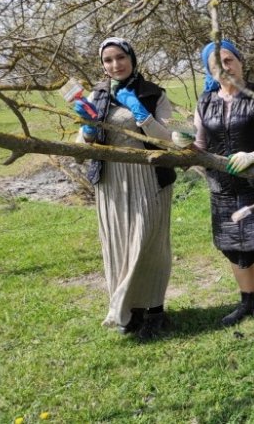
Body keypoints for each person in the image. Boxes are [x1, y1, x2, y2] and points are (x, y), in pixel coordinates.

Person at [74, 37, 176, 340]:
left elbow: (169, 139)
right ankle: (131, 312)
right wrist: (88, 129)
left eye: (120, 57)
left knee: (149, 244)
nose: (115, 65)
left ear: (132, 58)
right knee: (119, 245)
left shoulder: (153, 93)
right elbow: (82, 147)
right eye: (108, 60)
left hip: (148, 177)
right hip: (111, 181)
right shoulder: (98, 95)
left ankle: (156, 311)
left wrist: (141, 114)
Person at [192, 39, 254, 335]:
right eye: (216, 65)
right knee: (232, 247)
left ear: (239, 61)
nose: (225, 68)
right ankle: (248, 301)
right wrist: (183, 148)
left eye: (229, 60)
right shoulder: (204, 102)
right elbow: (199, 146)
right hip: (222, 188)